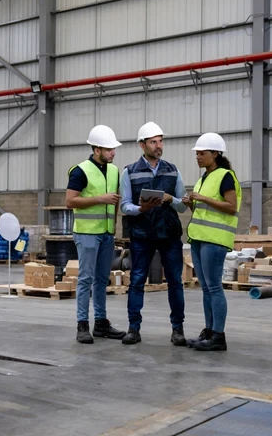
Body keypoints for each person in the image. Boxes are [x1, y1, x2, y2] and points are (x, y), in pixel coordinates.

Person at [119, 122, 188, 346]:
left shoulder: (173, 170)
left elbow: (182, 207)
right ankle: (133, 328)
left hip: (169, 235)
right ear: (142, 145)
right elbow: (125, 206)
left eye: (160, 141)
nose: (159, 146)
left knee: (175, 282)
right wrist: (141, 209)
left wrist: (171, 199)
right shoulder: (129, 172)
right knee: (137, 280)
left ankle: (178, 329)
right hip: (141, 234)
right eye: (153, 142)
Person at [66, 125, 126, 344]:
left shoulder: (114, 170)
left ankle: (101, 323)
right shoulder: (80, 171)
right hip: (87, 233)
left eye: (114, 149)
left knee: (102, 279)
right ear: (97, 149)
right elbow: (70, 201)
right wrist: (100, 199)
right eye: (109, 149)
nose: (113, 152)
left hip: (107, 234)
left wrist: (113, 229)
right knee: (85, 278)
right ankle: (82, 324)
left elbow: (116, 201)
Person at [182, 133, 242, 351]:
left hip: (215, 240)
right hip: (199, 238)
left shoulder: (226, 176)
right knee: (206, 288)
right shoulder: (203, 178)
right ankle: (209, 331)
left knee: (214, 287)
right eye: (197, 153)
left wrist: (203, 198)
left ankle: (218, 335)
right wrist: (191, 203)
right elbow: (202, 211)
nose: (198, 157)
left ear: (215, 154)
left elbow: (231, 206)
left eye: (202, 153)